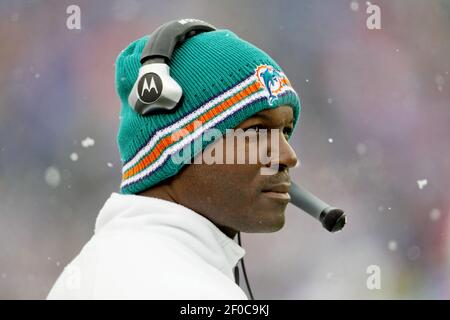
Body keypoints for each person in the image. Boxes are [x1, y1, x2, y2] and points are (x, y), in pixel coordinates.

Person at [47, 20, 301, 299]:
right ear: (177, 146)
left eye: (285, 132)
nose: (288, 156)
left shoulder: (95, 269)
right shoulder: (187, 289)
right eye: (254, 131)